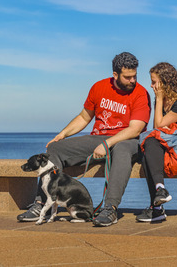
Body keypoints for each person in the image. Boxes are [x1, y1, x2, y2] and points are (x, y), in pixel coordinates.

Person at [17, 52, 151, 227]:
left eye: (134, 76)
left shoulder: (140, 93)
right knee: (55, 149)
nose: (132, 80)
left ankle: (109, 208)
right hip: (98, 139)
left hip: (126, 140)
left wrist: (107, 144)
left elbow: (135, 129)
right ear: (115, 75)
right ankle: (41, 204)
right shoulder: (99, 87)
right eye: (127, 77)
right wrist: (63, 134)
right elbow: (84, 117)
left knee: (122, 149)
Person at [136, 62, 177, 223]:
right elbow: (158, 129)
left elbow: (157, 127)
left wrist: (158, 99)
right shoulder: (161, 99)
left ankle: (157, 208)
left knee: (150, 143)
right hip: (168, 141)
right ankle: (160, 193)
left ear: (165, 82)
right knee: (148, 147)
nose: (151, 85)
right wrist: (159, 100)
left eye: (154, 81)